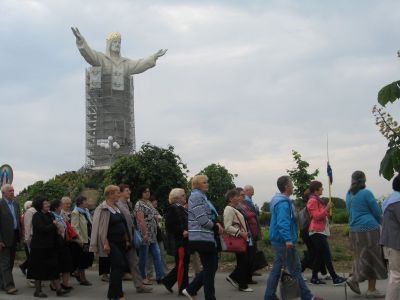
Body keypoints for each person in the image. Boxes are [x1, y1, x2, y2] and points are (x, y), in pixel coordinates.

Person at [264, 176, 323, 300]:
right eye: (291, 183)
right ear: (286, 187)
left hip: (279, 240)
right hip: (284, 241)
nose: (293, 185)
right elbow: (282, 222)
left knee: (276, 269)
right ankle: (307, 297)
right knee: (295, 269)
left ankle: (269, 296)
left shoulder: (281, 201)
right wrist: (288, 239)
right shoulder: (283, 203)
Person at [345, 171, 387, 298]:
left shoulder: (348, 194)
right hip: (369, 229)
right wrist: (384, 224)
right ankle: (371, 289)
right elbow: (377, 212)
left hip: (354, 230)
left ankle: (354, 278)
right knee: (373, 258)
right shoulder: (366, 193)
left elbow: (349, 211)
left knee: (360, 257)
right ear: (364, 180)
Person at [182, 175, 224, 300]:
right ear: (197, 185)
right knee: (210, 268)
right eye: (204, 182)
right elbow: (202, 220)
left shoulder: (201, 197)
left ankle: (191, 289)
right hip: (201, 237)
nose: (207, 184)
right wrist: (216, 227)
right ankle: (206, 296)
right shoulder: (196, 197)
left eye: (207, 182)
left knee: (210, 267)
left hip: (205, 236)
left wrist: (215, 224)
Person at [90, 185, 130, 300]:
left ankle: (113, 294)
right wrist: (105, 243)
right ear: (111, 194)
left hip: (121, 242)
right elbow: (100, 228)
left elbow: (123, 224)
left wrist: (127, 239)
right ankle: (118, 294)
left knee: (118, 267)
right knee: (119, 264)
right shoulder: (102, 208)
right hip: (111, 242)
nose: (119, 194)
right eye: (117, 192)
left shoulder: (117, 207)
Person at [27, 196, 69, 298]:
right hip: (39, 247)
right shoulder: (37, 216)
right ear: (40, 205)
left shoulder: (50, 215)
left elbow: (53, 227)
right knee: (38, 270)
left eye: (48, 203)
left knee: (54, 268)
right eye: (45, 203)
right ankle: (38, 291)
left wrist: (57, 229)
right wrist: (53, 225)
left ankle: (59, 289)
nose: (48, 205)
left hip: (51, 246)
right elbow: (42, 229)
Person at [305, 181, 346, 285]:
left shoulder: (317, 200)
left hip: (319, 231)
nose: (323, 189)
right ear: (316, 189)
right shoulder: (313, 201)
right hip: (316, 231)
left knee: (319, 256)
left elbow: (322, 215)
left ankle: (314, 278)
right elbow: (316, 216)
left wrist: (328, 210)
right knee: (326, 255)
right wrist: (327, 208)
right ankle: (335, 278)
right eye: (321, 187)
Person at [116, 184, 152, 293]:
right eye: (127, 190)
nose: (129, 192)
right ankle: (116, 288)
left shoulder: (129, 204)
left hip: (130, 237)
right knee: (118, 264)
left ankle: (139, 285)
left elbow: (132, 221)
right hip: (121, 238)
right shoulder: (117, 205)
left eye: (129, 190)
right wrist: (125, 238)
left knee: (134, 262)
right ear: (121, 192)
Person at [134, 186, 165, 284]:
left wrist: (158, 217)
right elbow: (141, 220)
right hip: (145, 235)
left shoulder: (148, 203)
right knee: (143, 257)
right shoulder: (139, 204)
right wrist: (145, 233)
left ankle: (160, 277)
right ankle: (143, 277)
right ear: (141, 193)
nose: (148, 193)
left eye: (148, 191)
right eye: (145, 192)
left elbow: (156, 214)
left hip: (153, 235)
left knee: (157, 255)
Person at [224, 189, 253, 292]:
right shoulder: (229, 209)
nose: (239, 198)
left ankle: (238, 281)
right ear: (231, 198)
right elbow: (227, 227)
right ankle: (242, 285)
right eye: (237, 196)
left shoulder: (233, 208)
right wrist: (241, 233)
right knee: (243, 262)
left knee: (243, 262)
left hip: (241, 238)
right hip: (238, 238)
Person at [162, 188, 190, 295]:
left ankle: (169, 282)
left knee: (183, 264)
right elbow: (169, 225)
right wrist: (181, 232)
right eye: (183, 195)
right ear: (177, 198)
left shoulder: (181, 208)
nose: (185, 197)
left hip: (184, 240)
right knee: (182, 265)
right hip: (180, 241)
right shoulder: (172, 208)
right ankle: (183, 289)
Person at [380, 173, 400, 299]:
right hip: (396, 243)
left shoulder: (390, 199)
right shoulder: (398, 201)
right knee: (396, 275)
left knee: (396, 275)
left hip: (391, 242)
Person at [0, 184, 20, 295]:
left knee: (10, 262)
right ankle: (9, 286)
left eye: (13, 190)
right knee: (5, 262)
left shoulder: (16, 204)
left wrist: (20, 234)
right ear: (4, 193)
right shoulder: (0, 204)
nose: (12, 192)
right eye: (10, 191)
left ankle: (2, 283)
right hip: (4, 237)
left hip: (15, 236)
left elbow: (17, 220)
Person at [50, 199, 74, 291]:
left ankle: (65, 283)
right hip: (56, 243)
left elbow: (67, 226)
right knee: (56, 265)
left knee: (67, 263)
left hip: (64, 242)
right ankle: (53, 285)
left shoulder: (61, 215)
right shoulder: (51, 215)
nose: (63, 207)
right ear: (56, 207)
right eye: (61, 205)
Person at [71, 196, 94, 285]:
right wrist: (79, 239)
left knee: (88, 257)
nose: (87, 202)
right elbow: (75, 227)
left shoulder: (86, 211)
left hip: (88, 237)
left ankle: (77, 273)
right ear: (81, 203)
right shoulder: (75, 213)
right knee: (83, 259)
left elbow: (90, 223)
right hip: (82, 239)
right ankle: (83, 278)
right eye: (86, 201)